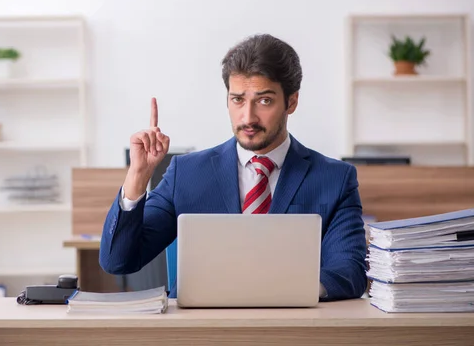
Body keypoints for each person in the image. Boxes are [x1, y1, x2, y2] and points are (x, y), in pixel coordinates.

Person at [99, 34, 368, 301]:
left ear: (291, 102)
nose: (248, 117)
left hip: (290, 331)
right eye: (238, 99)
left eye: (264, 101)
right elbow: (118, 262)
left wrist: (287, 290)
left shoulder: (335, 179)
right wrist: (138, 176)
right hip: (202, 335)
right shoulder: (187, 173)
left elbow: (350, 273)